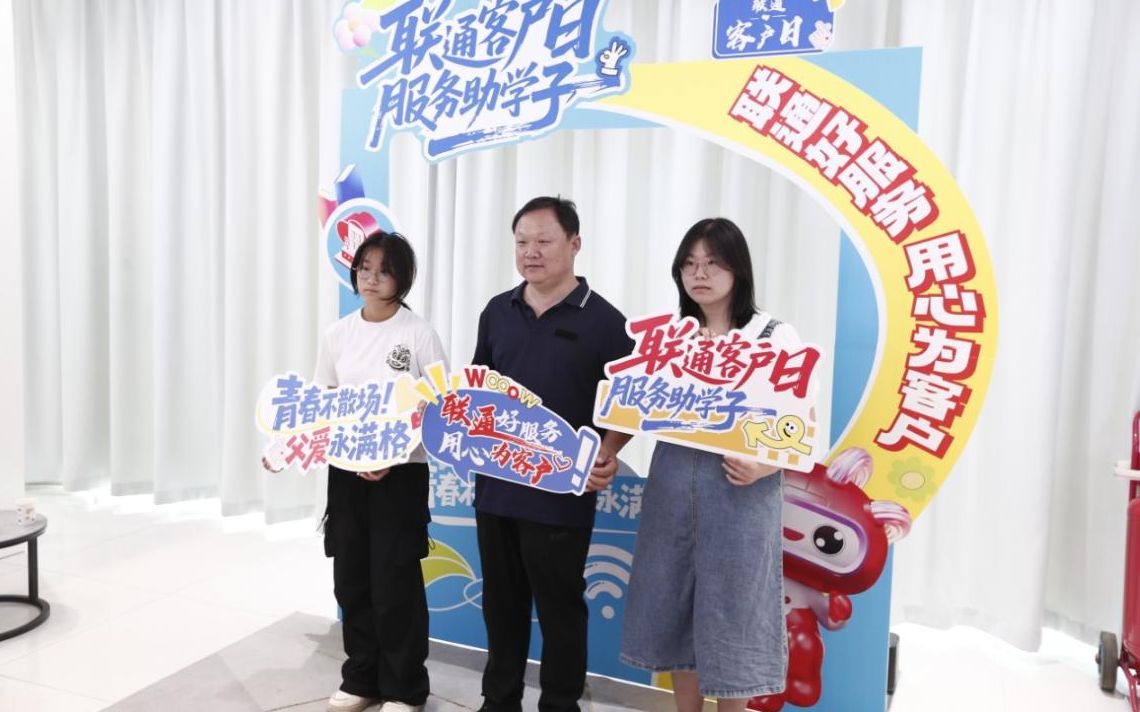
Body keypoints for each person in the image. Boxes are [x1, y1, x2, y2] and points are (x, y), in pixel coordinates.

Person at [620, 218, 792, 710]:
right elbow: (633, 406)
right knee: (675, 602)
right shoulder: (670, 339)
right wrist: (607, 448)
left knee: (734, 611)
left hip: (740, 491)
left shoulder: (773, 336)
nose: (699, 274)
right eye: (690, 264)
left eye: (713, 263)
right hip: (673, 485)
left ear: (738, 270)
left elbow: (800, 425)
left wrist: (764, 466)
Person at [471, 196, 634, 712]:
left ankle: (561, 705)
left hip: (562, 493)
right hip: (496, 487)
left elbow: (628, 405)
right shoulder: (497, 311)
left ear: (574, 244)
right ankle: (499, 701)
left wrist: (607, 451)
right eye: (522, 242)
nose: (531, 252)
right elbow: (478, 389)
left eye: (544, 241)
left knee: (560, 608)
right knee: (501, 605)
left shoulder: (606, 322)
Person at [314, 232, 447, 712]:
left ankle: (405, 688)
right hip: (347, 472)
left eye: (384, 271)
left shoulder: (418, 333)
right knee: (351, 577)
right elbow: (324, 400)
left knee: (395, 582)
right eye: (365, 268)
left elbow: (441, 406)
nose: (371, 279)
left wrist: (394, 452)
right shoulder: (338, 334)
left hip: (400, 475)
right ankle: (361, 678)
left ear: (403, 279)